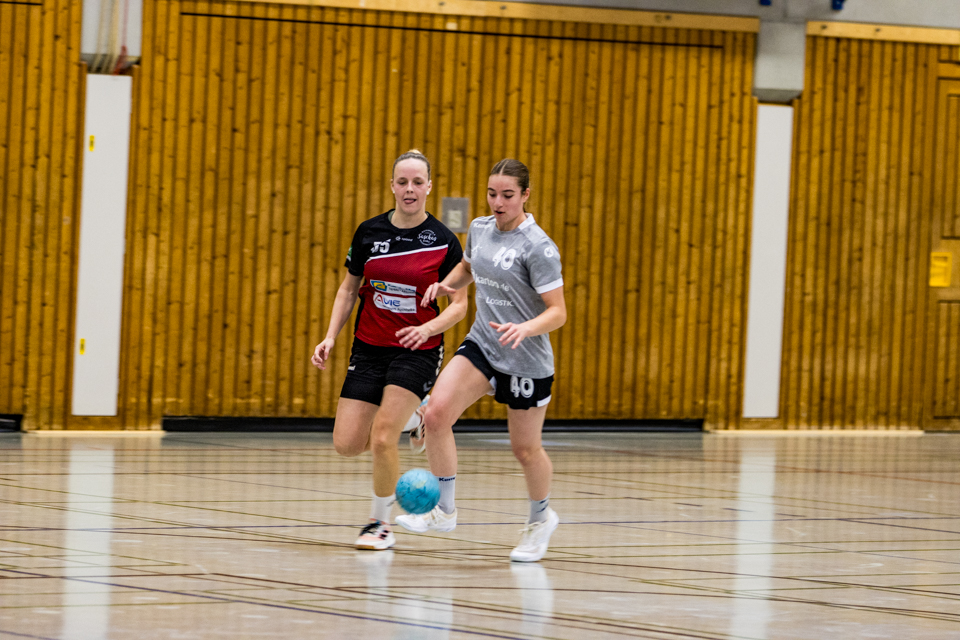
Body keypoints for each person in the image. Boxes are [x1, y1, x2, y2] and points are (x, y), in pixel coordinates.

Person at [396, 158, 566, 562]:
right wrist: (446, 285)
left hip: (525, 358)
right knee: (437, 414)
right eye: (492, 194)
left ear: (525, 195)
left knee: (525, 450)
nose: (498, 202)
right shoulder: (480, 228)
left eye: (507, 195)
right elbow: (468, 268)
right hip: (484, 344)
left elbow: (558, 312)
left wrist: (526, 328)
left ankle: (540, 520)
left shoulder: (538, 247)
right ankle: (444, 511)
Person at [311, 150, 467, 551]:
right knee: (347, 444)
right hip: (368, 347)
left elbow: (460, 306)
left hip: (417, 349)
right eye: (402, 182)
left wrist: (428, 328)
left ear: (429, 187)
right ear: (392, 186)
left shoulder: (444, 242)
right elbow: (349, 289)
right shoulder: (369, 232)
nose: (409, 189)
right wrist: (330, 336)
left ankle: (379, 524)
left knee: (383, 437)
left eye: (417, 182)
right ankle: (416, 419)